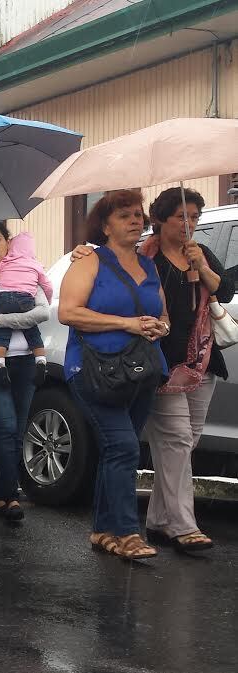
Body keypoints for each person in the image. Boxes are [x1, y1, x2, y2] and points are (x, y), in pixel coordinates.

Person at [59, 190, 168, 561]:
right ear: (105, 226)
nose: (135, 220)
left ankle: (103, 530)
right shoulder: (88, 260)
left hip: (142, 369)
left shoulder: (149, 265)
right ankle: (126, 532)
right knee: (123, 446)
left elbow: (163, 315)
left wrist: (161, 327)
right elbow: (68, 312)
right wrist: (127, 324)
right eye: (124, 215)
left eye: (138, 214)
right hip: (95, 370)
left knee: (118, 450)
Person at [140, 187, 231, 552]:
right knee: (176, 441)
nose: (189, 224)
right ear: (160, 219)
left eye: (194, 217)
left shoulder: (200, 252)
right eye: (181, 217)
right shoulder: (145, 258)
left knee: (184, 443)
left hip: (203, 360)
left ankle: (158, 519)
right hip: (165, 363)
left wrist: (202, 267)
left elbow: (226, 290)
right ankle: (183, 525)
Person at [0, 220, 50, 523]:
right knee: (5, 424)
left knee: (17, 428)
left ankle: (2, 496)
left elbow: (41, 312)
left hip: (25, 361)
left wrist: (3, 320)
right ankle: (10, 494)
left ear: (8, 241)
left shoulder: (27, 270)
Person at [0, 227, 53, 385]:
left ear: (9, 243)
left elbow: (44, 313)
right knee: (33, 332)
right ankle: (41, 361)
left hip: (2, 301)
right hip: (25, 299)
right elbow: (48, 287)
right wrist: (48, 298)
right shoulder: (35, 265)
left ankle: (0, 365)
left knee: (0, 336)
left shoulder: (2, 265)